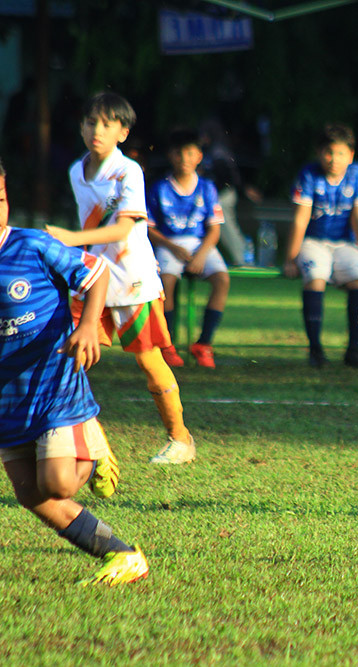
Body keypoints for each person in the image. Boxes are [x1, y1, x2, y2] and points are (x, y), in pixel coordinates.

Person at [0, 159, 149, 585]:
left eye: (2, 200)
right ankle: (122, 556)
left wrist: (87, 326)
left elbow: (97, 272)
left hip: (55, 385)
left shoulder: (31, 247)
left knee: (58, 485)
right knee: (29, 494)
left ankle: (89, 435)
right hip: (8, 396)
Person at [45, 91, 197, 465]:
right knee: (68, 354)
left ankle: (180, 440)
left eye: (106, 124)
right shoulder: (75, 170)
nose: (96, 130)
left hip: (133, 280)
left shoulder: (128, 171)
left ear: (123, 132)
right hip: (92, 278)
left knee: (148, 361)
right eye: (90, 122)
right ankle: (63, 440)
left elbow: (124, 228)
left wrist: (69, 240)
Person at [283, 122, 358, 369]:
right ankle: (315, 348)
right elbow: (300, 219)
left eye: (340, 153)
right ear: (319, 153)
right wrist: (290, 257)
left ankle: (352, 348)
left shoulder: (357, 173)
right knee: (315, 277)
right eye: (328, 152)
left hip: (345, 244)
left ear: (350, 155)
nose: (333, 159)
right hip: (314, 242)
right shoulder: (309, 174)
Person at [146, 127, 231, 369]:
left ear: (199, 157)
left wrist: (200, 256)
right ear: (171, 156)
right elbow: (149, 228)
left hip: (199, 244)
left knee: (222, 279)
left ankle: (203, 343)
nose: (184, 159)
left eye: (190, 153)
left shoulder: (207, 187)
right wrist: (172, 246)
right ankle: (168, 344)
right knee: (167, 281)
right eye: (178, 154)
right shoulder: (159, 188)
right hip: (168, 243)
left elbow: (214, 229)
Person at [199, 118, 263, 266]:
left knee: (226, 227)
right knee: (222, 227)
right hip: (220, 195)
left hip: (223, 195)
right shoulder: (214, 150)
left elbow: (228, 177)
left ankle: (243, 258)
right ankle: (240, 257)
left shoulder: (218, 151)